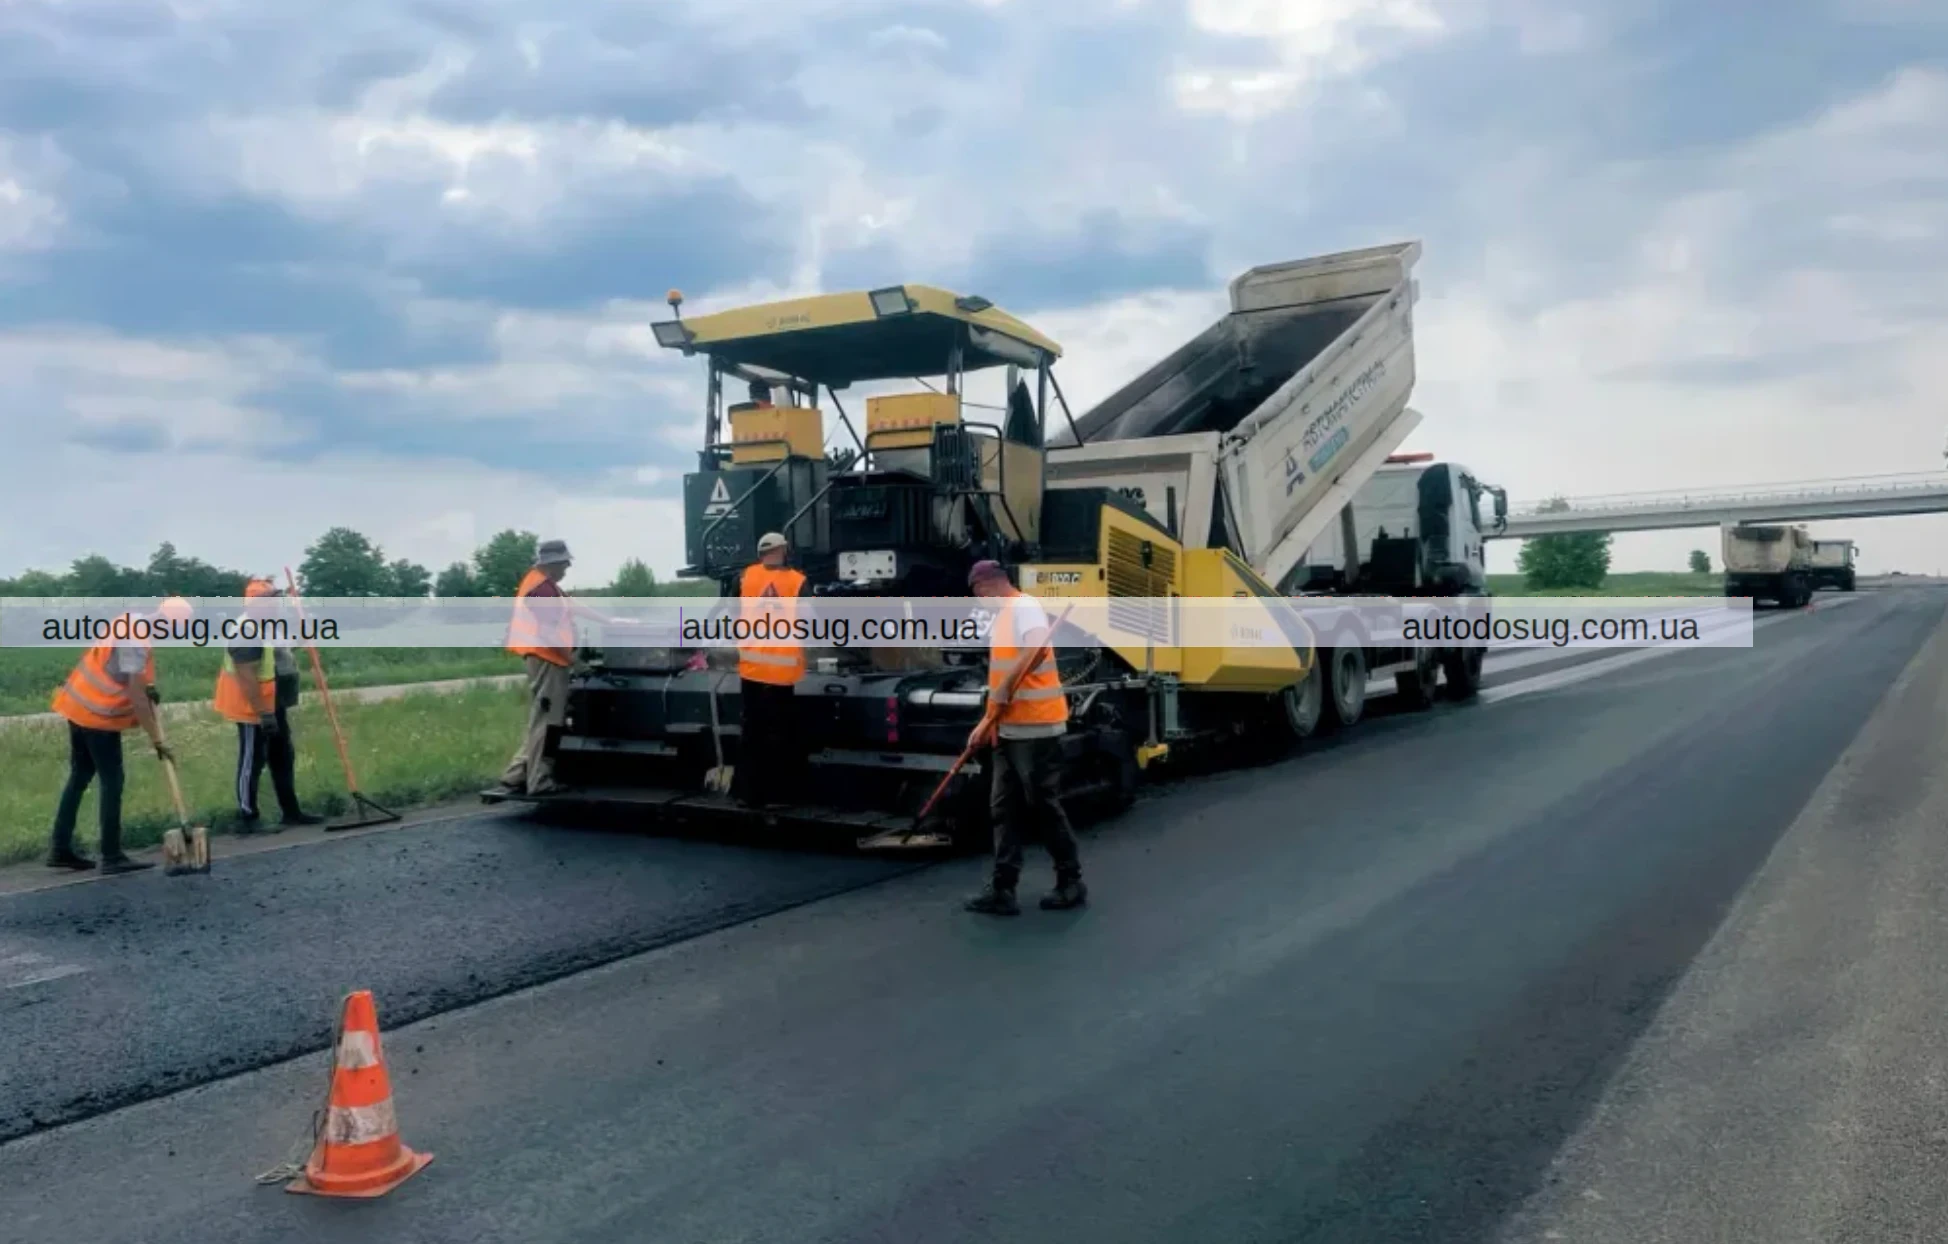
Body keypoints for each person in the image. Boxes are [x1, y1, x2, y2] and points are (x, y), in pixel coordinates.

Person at [962, 559, 1086, 915]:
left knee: (1043, 806)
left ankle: (1071, 881)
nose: (979, 600)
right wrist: (986, 723)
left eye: (977, 593)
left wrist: (1001, 691)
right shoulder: (1004, 617)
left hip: (1036, 728)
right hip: (1008, 728)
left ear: (985, 586)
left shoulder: (1025, 608)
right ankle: (1002, 889)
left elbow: (1034, 650)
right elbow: (1002, 676)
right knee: (1003, 809)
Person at [47, 596, 195, 874]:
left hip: (77, 708)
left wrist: (148, 686)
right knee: (112, 781)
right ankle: (112, 855)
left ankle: (60, 847)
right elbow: (137, 698)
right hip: (98, 716)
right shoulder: (137, 641)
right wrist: (157, 740)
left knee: (79, 776)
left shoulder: (129, 622)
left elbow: (125, 674)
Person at [213, 578, 320, 832]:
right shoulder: (245, 630)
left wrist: (304, 637)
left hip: (274, 704)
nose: (275, 604)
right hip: (252, 708)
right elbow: (246, 676)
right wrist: (263, 713)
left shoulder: (269, 626)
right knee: (252, 760)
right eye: (269, 600)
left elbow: (280, 650)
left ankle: (291, 812)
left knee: (282, 756)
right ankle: (247, 818)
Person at [494, 539, 578, 797]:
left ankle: (516, 774)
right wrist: (574, 660)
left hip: (546, 659)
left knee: (541, 719)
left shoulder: (544, 584)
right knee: (547, 722)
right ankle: (539, 782)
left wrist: (610, 619)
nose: (567, 569)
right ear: (554, 564)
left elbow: (572, 607)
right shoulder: (541, 588)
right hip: (548, 660)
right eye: (565, 564)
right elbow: (549, 631)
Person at [732, 531, 806, 809]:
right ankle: (779, 797)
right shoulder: (796, 582)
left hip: (751, 668)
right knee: (780, 732)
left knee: (751, 731)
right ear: (781, 550)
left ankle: (747, 795)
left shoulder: (745, 577)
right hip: (780, 672)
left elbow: (732, 610)